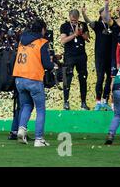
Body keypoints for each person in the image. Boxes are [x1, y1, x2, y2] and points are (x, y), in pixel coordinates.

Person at [12, 18, 55, 147]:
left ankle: (21, 129)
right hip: (33, 78)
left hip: (19, 78)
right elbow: (47, 64)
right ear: (42, 29)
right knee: (40, 108)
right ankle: (39, 139)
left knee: (26, 106)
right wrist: (53, 64)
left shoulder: (22, 40)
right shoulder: (42, 42)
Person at [82, 0, 113, 111]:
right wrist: (83, 13)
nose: (107, 14)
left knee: (110, 78)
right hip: (100, 56)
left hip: (110, 56)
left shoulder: (111, 25)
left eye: (108, 12)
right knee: (100, 78)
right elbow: (88, 21)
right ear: (101, 15)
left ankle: (105, 100)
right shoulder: (98, 25)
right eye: (105, 13)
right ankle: (98, 101)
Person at [60, 9, 90, 110]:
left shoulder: (83, 25)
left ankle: (83, 102)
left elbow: (88, 38)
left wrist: (81, 33)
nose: (74, 22)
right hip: (69, 55)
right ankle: (66, 102)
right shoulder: (64, 26)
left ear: (78, 18)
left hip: (81, 55)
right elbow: (63, 41)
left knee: (83, 78)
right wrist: (74, 35)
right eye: (72, 21)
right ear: (69, 17)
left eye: (76, 21)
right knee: (67, 78)